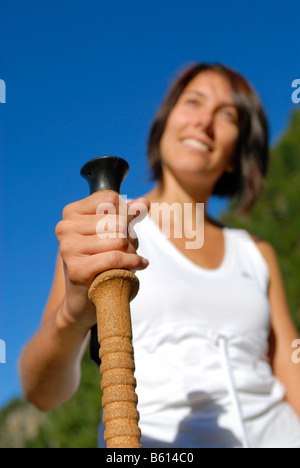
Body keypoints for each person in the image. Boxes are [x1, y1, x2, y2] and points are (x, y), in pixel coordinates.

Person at [19, 63, 300, 448]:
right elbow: (42, 393)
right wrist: (71, 315)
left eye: (227, 114)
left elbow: (290, 368)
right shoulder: (103, 231)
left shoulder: (256, 252)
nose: (204, 121)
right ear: (164, 126)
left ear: (235, 154)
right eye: (193, 102)